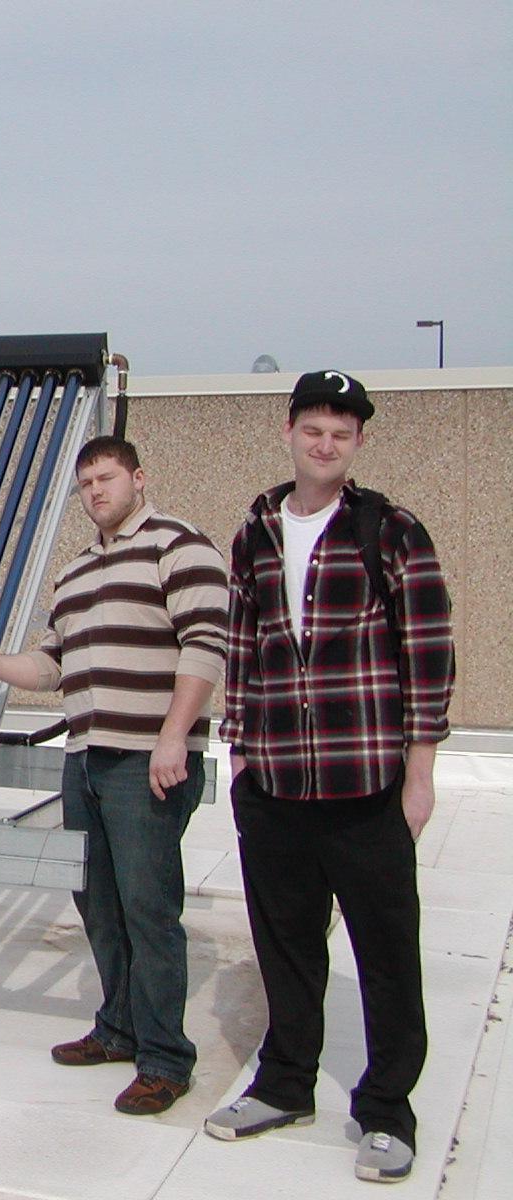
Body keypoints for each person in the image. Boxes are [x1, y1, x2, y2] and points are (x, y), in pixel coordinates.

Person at [206, 371, 454, 1184]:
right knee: (284, 945)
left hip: (364, 785)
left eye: (341, 434)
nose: (326, 444)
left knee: (386, 951)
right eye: (314, 429)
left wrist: (420, 773)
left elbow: (427, 654)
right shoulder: (256, 530)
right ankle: (285, 1085)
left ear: (357, 444)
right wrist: (238, 750)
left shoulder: (391, 530)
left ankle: (387, 1111)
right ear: (289, 432)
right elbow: (241, 644)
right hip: (273, 784)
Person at [0, 436, 228, 1116]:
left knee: (148, 909)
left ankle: (166, 1059)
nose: (97, 492)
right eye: (87, 484)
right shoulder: (75, 573)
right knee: (97, 904)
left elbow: (206, 644)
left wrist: (173, 738)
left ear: (139, 476)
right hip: (87, 758)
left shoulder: (180, 545)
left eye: (107, 478)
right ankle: (118, 1029)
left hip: (148, 760)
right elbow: (52, 666)